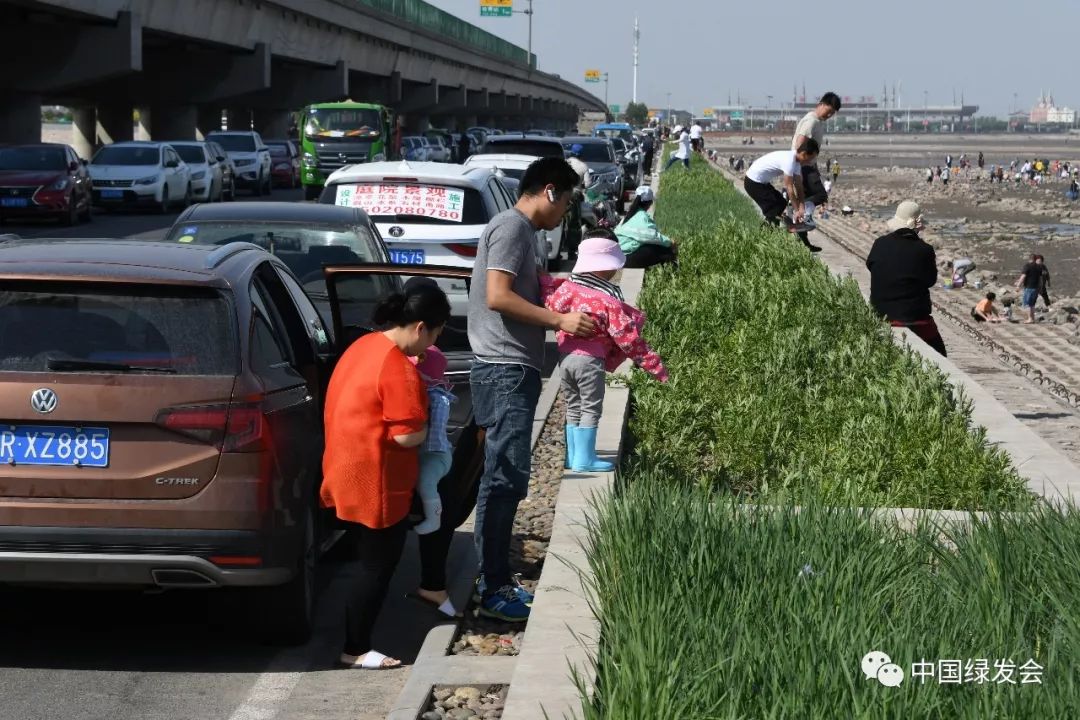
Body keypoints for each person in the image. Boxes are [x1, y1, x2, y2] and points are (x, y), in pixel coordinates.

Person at [467, 157, 595, 622]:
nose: (564, 212)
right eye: (565, 201)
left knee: (510, 477)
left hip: (511, 367)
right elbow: (497, 296)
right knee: (503, 477)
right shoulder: (512, 227)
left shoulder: (524, 233)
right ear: (548, 191)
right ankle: (493, 585)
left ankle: (496, 575)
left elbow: (516, 291)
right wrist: (560, 319)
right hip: (502, 369)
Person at [321, 281, 451, 669]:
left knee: (364, 559)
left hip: (342, 464)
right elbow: (408, 435)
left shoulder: (362, 346)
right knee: (376, 568)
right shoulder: (398, 366)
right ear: (420, 327)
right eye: (435, 335)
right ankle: (355, 648)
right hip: (377, 479)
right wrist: (431, 417)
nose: (430, 347)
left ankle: (355, 641)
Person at [545, 231, 669, 472]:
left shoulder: (567, 289)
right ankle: (585, 459)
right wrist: (656, 367)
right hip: (590, 361)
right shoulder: (609, 298)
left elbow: (550, 303)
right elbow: (628, 339)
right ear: (606, 266)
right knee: (591, 407)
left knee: (573, 405)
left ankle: (572, 456)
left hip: (566, 358)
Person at [866, 201, 946, 356]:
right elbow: (930, 280)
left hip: (881, 313)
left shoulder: (879, 243)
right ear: (917, 225)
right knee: (940, 355)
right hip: (915, 318)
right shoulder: (924, 249)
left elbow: (871, 266)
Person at [409, 346, 455, 536]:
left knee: (425, 481)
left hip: (436, 455)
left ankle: (433, 519)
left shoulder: (436, 398)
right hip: (424, 452)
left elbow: (434, 432)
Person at [742, 139, 821, 250]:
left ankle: (768, 239)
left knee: (781, 205)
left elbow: (799, 187)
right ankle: (761, 241)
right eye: (810, 158)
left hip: (761, 183)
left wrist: (801, 207)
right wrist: (796, 210)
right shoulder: (789, 161)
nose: (810, 162)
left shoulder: (797, 163)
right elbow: (789, 188)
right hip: (753, 183)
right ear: (803, 154)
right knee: (775, 210)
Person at [791, 92, 842, 255]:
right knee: (820, 195)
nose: (830, 114)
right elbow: (799, 143)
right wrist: (800, 165)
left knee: (805, 200)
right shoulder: (811, 121)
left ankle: (804, 242)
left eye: (833, 113)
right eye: (829, 110)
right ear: (821, 104)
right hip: (803, 166)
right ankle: (804, 212)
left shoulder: (818, 122)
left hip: (808, 165)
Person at [616, 186, 678, 269]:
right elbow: (651, 236)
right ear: (650, 203)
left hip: (619, 255)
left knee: (657, 247)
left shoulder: (630, 215)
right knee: (666, 250)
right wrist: (670, 242)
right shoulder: (641, 216)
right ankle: (672, 272)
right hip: (626, 258)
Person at [1014, 254, 1043, 323]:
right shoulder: (1039, 267)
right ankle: (1032, 318)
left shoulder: (1027, 266)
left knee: (1027, 304)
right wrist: (1040, 287)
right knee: (1032, 304)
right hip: (1036, 288)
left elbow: (1023, 276)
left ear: (1029, 259)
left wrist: (1018, 285)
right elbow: (1040, 278)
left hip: (1029, 287)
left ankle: (1030, 319)